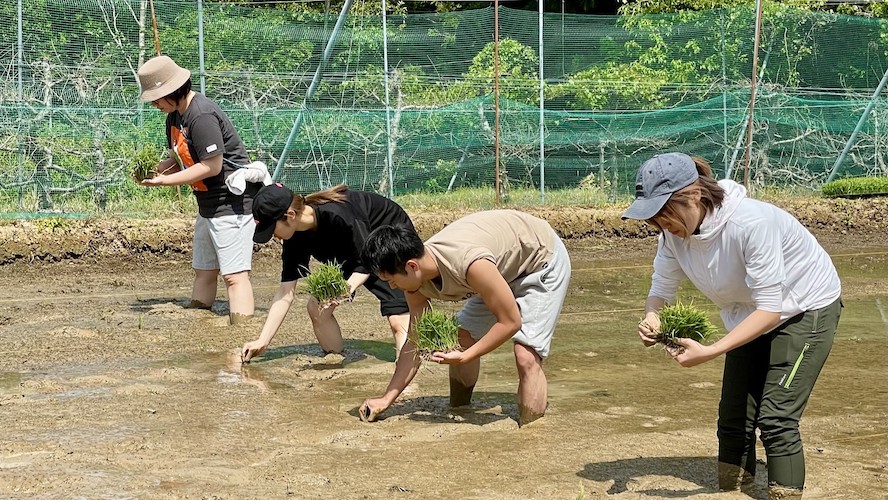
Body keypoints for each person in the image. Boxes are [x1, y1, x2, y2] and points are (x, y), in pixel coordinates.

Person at [622, 152, 841, 500]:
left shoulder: (750, 223)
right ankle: (732, 491)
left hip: (804, 308)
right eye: (654, 218)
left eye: (665, 213)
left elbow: (771, 310)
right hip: (747, 311)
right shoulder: (672, 236)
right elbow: (660, 290)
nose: (662, 225)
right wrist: (652, 318)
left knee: (776, 419)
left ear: (694, 195)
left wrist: (709, 351)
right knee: (733, 419)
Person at [357, 209, 571, 427]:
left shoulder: (469, 264)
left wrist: (466, 356)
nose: (392, 287)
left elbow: (510, 322)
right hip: (500, 270)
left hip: (539, 260)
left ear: (412, 266)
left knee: (526, 356)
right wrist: (386, 399)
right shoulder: (415, 281)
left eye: (391, 281)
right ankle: (461, 408)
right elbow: (415, 340)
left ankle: (532, 432)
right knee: (461, 338)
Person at [137, 55, 258, 325]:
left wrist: (166, 181)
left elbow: (212, 166)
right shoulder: (174, 116)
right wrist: (154, 170)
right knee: (204, 270)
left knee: (234, 276)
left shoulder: (200, 115)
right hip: (207, 205)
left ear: (171, 91)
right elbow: (178, 157)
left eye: (156, 98)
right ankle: (200, 322)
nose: (154, 104)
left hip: (232, 203)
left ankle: (243, 333)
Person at [240, 182, 413, 362]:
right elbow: (285, 292)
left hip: (389, 239)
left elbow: (366, 263)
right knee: (317, 308)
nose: (273, 236)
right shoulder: (294, 236)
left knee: (397, 318)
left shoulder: (338, 214)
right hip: (352, 252)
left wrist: (346, 288)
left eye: (271, 229)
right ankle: (335, 358)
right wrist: (263, 341)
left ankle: (407, 381)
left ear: (290, 215)